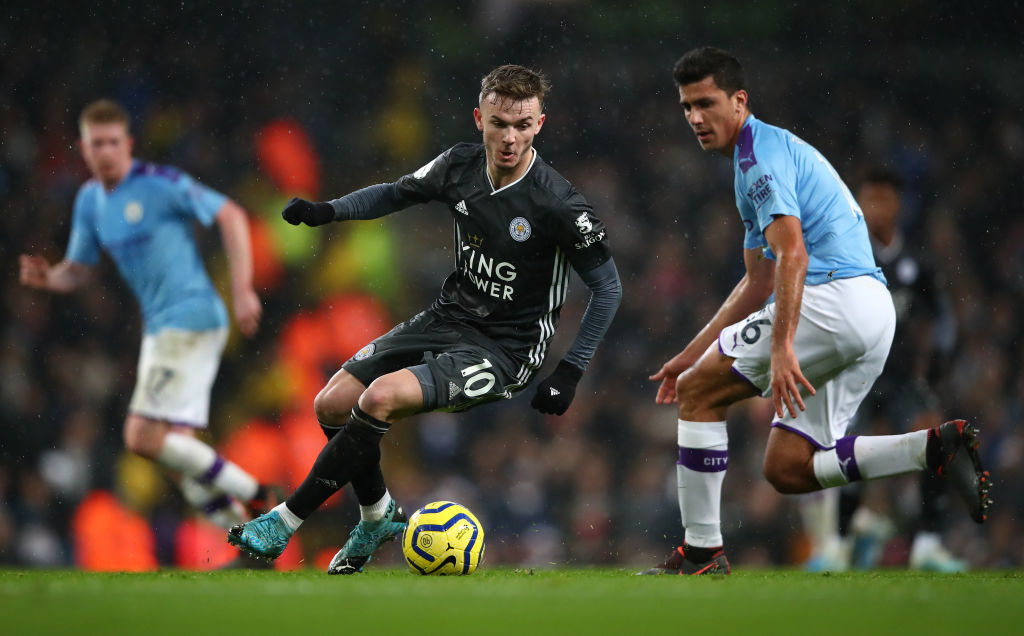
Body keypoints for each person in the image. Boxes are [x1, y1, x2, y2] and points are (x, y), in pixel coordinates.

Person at [228, 64, 622, 573]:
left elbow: (608, 288)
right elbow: (394, 193)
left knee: (379, 398)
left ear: (539, 125)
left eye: (522, 125)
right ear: (479, 118)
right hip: (448, 316)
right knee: (332, 404)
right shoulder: (458, 166)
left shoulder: (559, 203)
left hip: (506, 350)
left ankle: (283, 520)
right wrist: (329, 211)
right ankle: (377, 515)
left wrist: (570, 369)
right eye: (500, 123)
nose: (510, 137)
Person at [641, 47, 991, 575]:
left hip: (831, 301)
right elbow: (757, 281)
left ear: (739, 101)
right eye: (687, 106)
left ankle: (701, 552)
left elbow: (793, 254)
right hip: (871, 315)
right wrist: (688, 354)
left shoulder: (758, 159)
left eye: (705, 103)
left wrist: (781, 347)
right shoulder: (760, 159)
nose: (694, 117)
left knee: (698, 394)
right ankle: (932, 450)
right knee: (788, 469)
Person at [19, 99, 273, 532]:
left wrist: (243, 289)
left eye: (113, 142)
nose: (105, 151)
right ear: (83, 148)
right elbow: (78, 270)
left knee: (141, 437)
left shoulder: (159, 184)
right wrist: (49, 279)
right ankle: (242, 536)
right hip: (161, 328)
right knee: (172, 451)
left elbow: (230, 215)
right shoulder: (89, 201)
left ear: (129, 144)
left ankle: (258, 495)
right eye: (96, 143)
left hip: (190, 317)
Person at [816, 168, 963, 571]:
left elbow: (943, 316)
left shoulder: (915, 261)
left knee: (935, 439)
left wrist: (938, 358)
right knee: (845, 453)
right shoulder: (842, 257)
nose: (874, 208)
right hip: (855, 377)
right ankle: (840, 545)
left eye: (883, 199)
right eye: (868, 199)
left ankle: (928, 546)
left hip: (899, 378)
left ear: (898, 205)